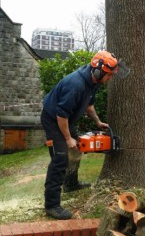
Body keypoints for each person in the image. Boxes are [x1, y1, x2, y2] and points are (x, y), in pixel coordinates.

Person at [41, 50, 120, 220]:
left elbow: (88, 105)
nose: (110, 78)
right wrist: (68, 138)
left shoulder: (94, 81)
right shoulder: (75, 85)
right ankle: (52, 205)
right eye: (109, 75)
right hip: (54, 119)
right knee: (60, 159)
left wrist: (98, 122)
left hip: (66, 119)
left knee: (77, 150)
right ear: (98, 71)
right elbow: (61, 115)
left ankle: (70, 184)